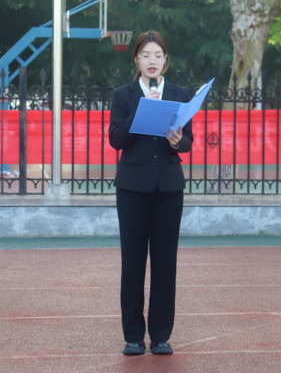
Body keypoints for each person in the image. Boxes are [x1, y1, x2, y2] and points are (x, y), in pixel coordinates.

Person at [109, 31, 193, 356]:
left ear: (166, 60)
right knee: (132, 263)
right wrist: (143, 110)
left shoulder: (179, 94)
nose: (152, 61)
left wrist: (178, 140)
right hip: (132, 188)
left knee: (165, 264)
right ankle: (133, 336)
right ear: (136, 60)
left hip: (168, 187)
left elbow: (188, 142)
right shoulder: (123, 94)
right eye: (146, 55)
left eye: (158, 55)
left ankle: (160, 336)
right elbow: (116, 139)